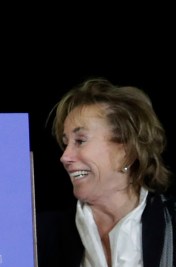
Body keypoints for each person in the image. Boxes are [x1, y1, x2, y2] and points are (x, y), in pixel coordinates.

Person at [37, 77, 175, 267]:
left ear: (126, 151)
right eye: (65, 143)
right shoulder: (40, 235)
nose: (64, 157)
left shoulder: (171, 223)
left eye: (80, 140)